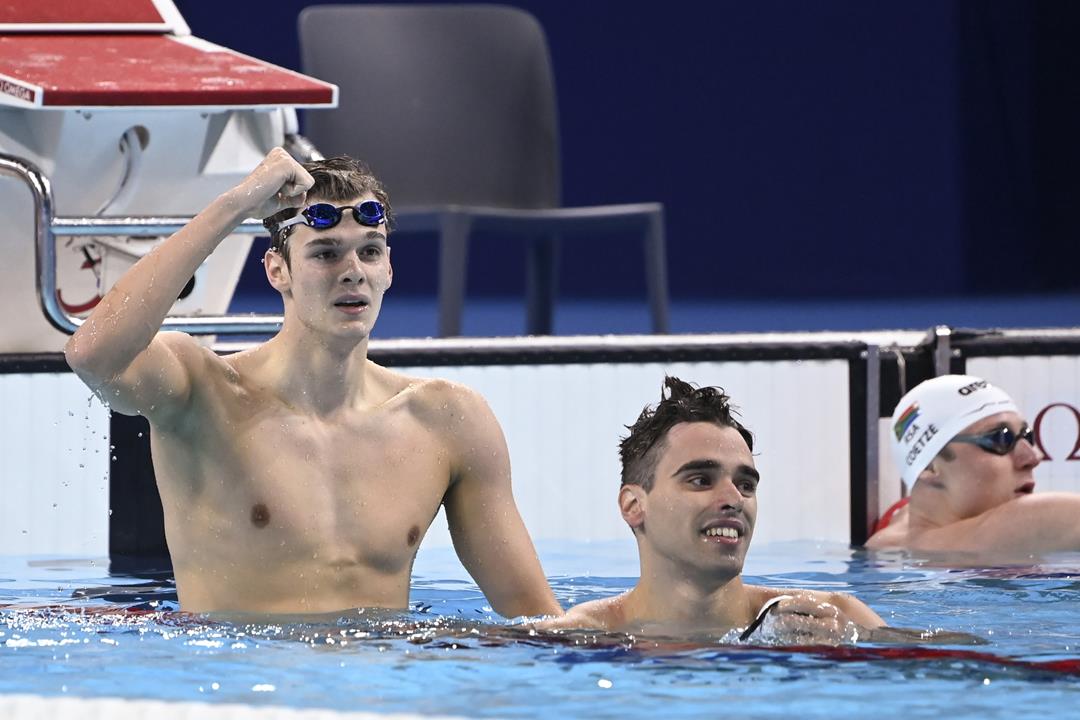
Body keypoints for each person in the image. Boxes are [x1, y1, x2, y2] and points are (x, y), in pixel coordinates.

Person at [64, 147, 560, 618]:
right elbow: (92, 354)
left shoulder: (447, 422)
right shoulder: (201, 390)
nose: (353, 273)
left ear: (389, 267)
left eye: (370, 251)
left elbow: (537, 619)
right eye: (325, 254)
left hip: (383, 694)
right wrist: (236, 205)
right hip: (243, 694)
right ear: (277, 270)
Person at [540, 376, 884, 643]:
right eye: (701, 480)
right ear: (633, 506)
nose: (734, 499)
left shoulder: (836, 620)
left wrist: (854, 646)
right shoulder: (580, 639)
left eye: (746, 485)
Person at [866, 374, 1080, 559]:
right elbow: (1041, 519)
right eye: (1000, 439)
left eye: (1027, 436)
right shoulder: (1026, 524)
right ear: (930, 466)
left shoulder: (897, 528)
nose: (1032, 457)